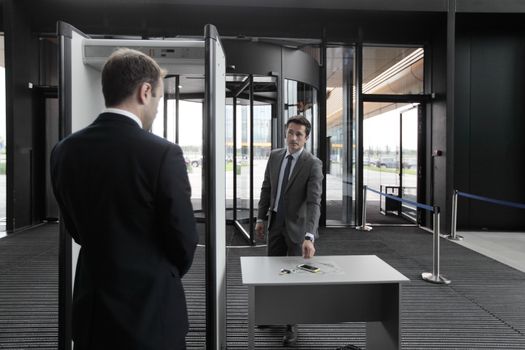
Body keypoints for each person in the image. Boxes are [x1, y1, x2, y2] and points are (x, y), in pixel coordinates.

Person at [50, 48, 198, 350]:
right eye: (157, 97)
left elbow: (76, 229)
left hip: (93, 311)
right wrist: (159, 271)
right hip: (150, 312)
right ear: (145, 91)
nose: (156, 107)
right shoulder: (162, 154)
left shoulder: (64, 151)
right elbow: (184, 240)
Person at [255, 115, 323, 346]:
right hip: (275, 224)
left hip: (298, 230)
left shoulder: (312, 163)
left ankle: (291, 325)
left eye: (299, 134)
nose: (293, 138)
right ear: (285, 132)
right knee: (272, 273)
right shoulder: (275, 156)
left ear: (306, 138)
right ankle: (271, 314)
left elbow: (314, 203)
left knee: (294, 278)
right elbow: (267, 188)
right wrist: (260, 218)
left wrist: (309, 236)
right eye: (290, 132)